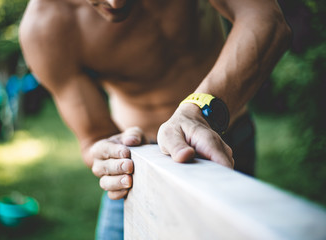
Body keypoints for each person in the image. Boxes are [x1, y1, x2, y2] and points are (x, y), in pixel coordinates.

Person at [19, 0, 291, 239]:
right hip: (138, 162)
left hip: (226, 135)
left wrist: (198, 111)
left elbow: (265, 18)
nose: (115, 3)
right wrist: (109, 155)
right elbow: (94, 137)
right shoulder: (45, 27)